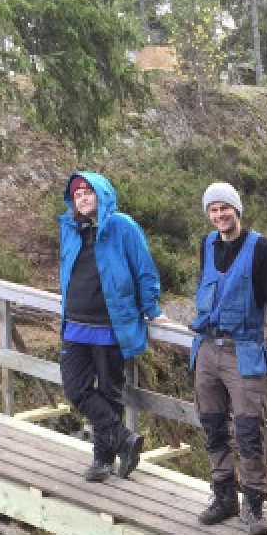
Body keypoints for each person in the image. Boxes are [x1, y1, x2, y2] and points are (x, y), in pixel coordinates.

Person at [191, 181, 267, 535]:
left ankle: (254, 505)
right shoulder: (206, 245)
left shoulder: (262, 249)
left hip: (243, 351)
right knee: (212, 425)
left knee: (248, 431)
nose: (219, 215)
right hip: (206, 348)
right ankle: (223, 495)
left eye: (224, 208)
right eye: (213, 210)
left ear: (236, 209)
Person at [59, 171, 167, 482]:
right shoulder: (70, 228)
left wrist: (152, 309)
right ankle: (124, 439)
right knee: (75, 388)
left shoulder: (122, 226)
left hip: (110, 325)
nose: (82, 198)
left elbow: (144, 269)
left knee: (109, 393)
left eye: (88, 192)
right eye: (77, 195)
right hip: (75, 324)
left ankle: (102, 460)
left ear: (102, 194)